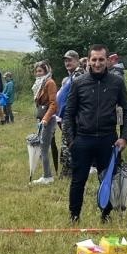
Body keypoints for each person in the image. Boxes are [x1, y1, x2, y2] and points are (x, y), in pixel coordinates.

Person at [61, 44, 127, 223]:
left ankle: (106, 215)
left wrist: (124, 136)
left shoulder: (117, 83)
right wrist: (71, 140)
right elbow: (68, 113)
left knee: (108, 179)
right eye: (94, 59)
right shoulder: (79, 83)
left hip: (108, 139)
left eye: (101, 59)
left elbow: (125, 109)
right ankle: (74, 216)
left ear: (107, 61)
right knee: (78, 180)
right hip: (83, 139)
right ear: (89, 61)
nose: (98, 63)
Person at [30, 61, 59, 184]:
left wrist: (45, 119)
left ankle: (47, 176)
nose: (38, 73)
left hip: (49, 119)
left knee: (43, 147)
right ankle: (47, 174)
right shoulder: (40, 84)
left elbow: (53, 104)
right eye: (36, 71)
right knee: (42, 147)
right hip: (42, 118)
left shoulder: (49, 82)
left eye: (40, 71)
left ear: (46, 71)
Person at [57, 50, 82, 179]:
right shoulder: (71, 75)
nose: (67, 63)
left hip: (73, 117)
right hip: (66, 117)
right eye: (65, 60)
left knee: (70, 144)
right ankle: (66, 172)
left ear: (77, 60)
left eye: (70, 60)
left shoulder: (79, 75)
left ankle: (72, 173)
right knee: (66, 144)